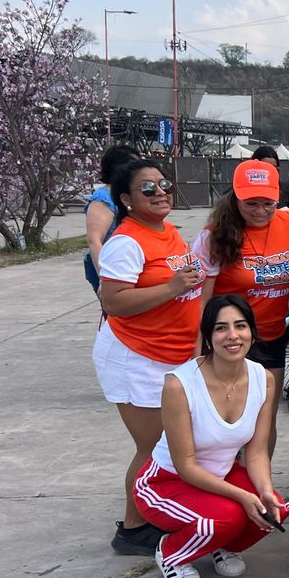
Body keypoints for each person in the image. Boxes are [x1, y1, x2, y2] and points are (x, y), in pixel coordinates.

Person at [133, 296, 289, 578]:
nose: (232, 336)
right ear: (208, 336)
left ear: (252, 333)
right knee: (228, 516)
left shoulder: (264, 379)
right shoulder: (179, 384)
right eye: (221, 328)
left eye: (240, 326)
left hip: (221, 475)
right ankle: (171, 553)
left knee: (275, 508)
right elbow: (186, 465)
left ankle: (221, 546)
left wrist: (265, 491)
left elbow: (256, 452)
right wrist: (243, 497)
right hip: (166, 482)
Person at [93, 158, 205, 555]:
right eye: (148, 188)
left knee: (171, 442)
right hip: (134, 356)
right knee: (154, 444)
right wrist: (173, 287)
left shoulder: (168, 231)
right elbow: (114, 301)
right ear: (125, 199)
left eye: (164, 184)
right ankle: (133, 529)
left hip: (169, 354)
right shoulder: (127, 241)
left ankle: (156, 513)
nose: (161, 192)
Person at [192, 160, 289, 455]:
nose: (260, 211)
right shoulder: (214, 236)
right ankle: (226, 483)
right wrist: (198, 353)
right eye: (250, 203)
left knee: (264, 418)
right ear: (236, 198)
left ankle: (260, 485)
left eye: (268, 203)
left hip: (271, 336)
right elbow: (201, 300)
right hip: (229, 339)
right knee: (228, 418)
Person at [83, 144, 140, 295]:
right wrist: (104, 278)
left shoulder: (127, 195)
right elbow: (94, 241)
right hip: (111, 267)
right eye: (135, 166)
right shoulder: (103, 198)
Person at [251, 145, 289, 213]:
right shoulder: (242, 191)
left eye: (273, 168)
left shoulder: (287, 191)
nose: (269, 172)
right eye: (265, 168)